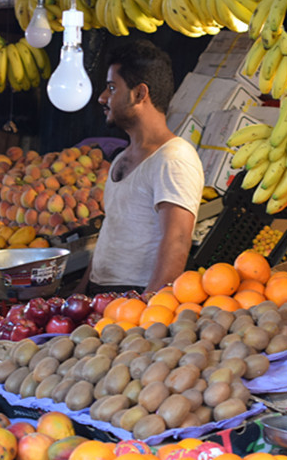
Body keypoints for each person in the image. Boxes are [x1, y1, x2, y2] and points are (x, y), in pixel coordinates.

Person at [78, 39, 204, 295]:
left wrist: (148, 305)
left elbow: (177, 243)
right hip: (101, 295)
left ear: (139, 94)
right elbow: (111, 231)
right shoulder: (121, 159)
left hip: (134, 297)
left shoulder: (174, 158)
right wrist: (81, 291)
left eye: (112, 88)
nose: (102, 97)